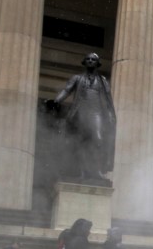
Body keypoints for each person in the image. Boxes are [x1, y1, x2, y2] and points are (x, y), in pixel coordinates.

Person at [48, 53, 116, 183]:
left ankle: (96, 170)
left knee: (98, 140)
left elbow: (108, 100)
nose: (90, 61)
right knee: (81, 142)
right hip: (80, 112)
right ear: (84, 62)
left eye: (93, 60)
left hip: (96, 114)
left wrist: (111, 115)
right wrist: (56, 101)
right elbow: (66, 90)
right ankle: (83, 172)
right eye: (88, 59)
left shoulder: (102, 80)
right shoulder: (77, 78)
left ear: (97, 63)